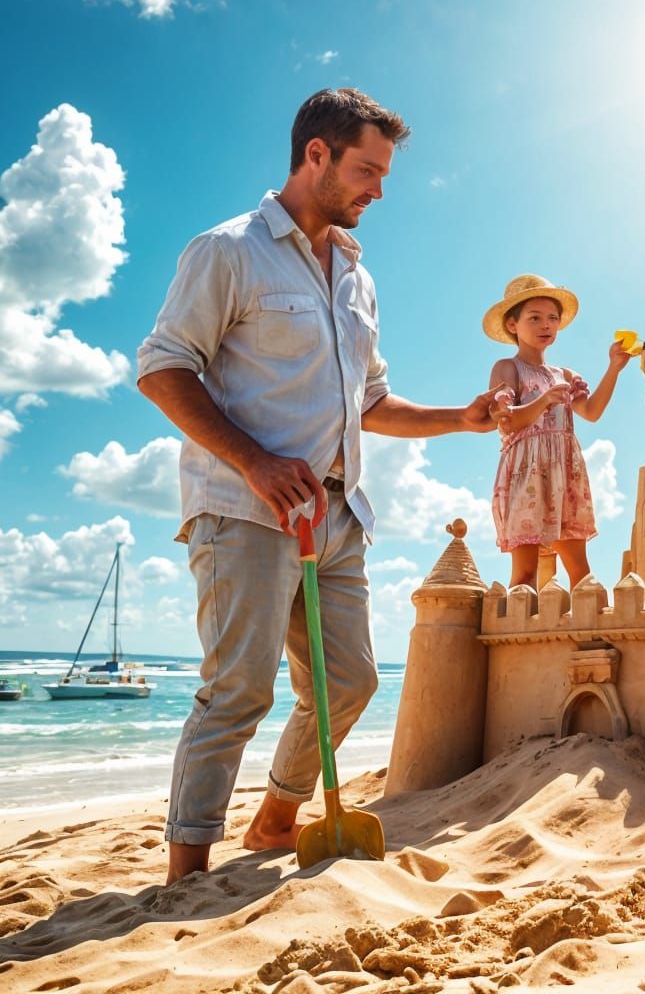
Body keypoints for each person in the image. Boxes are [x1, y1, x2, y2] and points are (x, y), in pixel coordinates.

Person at [138, 88, 500, 884]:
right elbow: (163, 368)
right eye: (367, 170)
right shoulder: (227, 250)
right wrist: (255, 462)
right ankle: (185, 872)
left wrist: (463, 419)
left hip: (339, 513)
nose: (378, 189)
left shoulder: (358, 279)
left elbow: (370, 401)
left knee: (349, 681)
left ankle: (275, 819)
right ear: (316, 156)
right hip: (245, 506)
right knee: (236, 690)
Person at [483, 275, 632, 588]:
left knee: (581, 572)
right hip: (528, 474)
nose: (545, 325)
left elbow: (591, 412)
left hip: (565, 474)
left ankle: (595, 638)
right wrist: (544, 401)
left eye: (552, 318)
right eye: (534, 318)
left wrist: (614, 368)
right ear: (513, 325)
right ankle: (520, 636)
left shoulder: (564, 375)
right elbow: (506, 421)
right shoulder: (506, 369)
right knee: (525, 574)